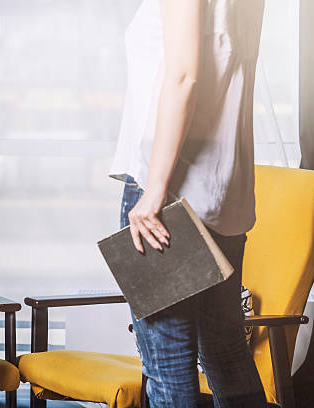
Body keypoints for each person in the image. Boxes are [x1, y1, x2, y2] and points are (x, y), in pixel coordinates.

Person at [111, 0, 267, 406]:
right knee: (226, 351)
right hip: (224, 188)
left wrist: (156, 188)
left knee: (168, 366)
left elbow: (184, 76)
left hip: (170, 186)